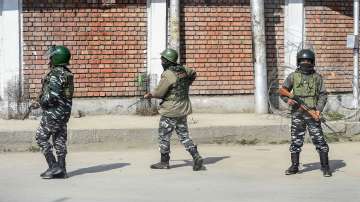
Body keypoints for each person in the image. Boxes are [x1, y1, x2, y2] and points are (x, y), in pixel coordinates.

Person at [144, 48, 203, 171]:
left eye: (162, 59)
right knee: (184, 135)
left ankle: (164, 162)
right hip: (183, 108)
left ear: (167, 61)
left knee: (164, 136)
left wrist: (150, 95)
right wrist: (187, 83)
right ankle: (196, 156)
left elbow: (159, 93)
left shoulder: (168, 74)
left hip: (170, 110)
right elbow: (193, 73)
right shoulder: (183, 69)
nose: (161, 61)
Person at [280, 49, 331, 177]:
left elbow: (323, 95)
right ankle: (294, 166)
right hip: (297, 114)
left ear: (312, 62)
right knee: (296, 141)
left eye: (308, 60)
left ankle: (325, 167)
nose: (305, 62)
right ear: (298, 62)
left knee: (320, 141)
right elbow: (283, 91)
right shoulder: (293, 76)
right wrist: (288, 100)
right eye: (303, 60)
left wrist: (318, 110)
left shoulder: (317, 78)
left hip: (312, 113)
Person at [34, 45, 74, 179]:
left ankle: (53, 166)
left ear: (56, 58)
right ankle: (62, 169)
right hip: (63, 113)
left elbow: (52, 96)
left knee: (40, 137)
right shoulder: (67, 73)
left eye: (51, 57)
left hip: (53, 113)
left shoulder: (56, 74)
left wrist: (39, 103)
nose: (49, 60)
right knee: (59, 140)